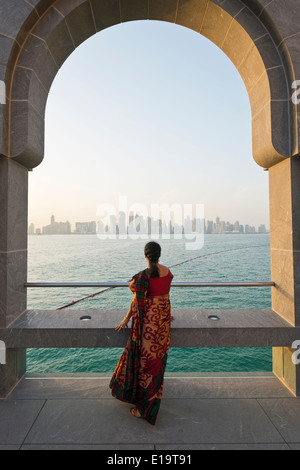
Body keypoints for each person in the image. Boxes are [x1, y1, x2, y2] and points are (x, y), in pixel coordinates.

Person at [109, 241, 173, 425]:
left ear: (145, 255)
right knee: (157, 365)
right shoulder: (168, 273)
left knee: (145, 368)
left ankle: (145, 410)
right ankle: (151, 400)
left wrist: (126, 319)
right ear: (159, 255)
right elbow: (164, 297)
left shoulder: (141, 278)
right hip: (163, 326)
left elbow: (137, 301)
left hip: (147, 329)